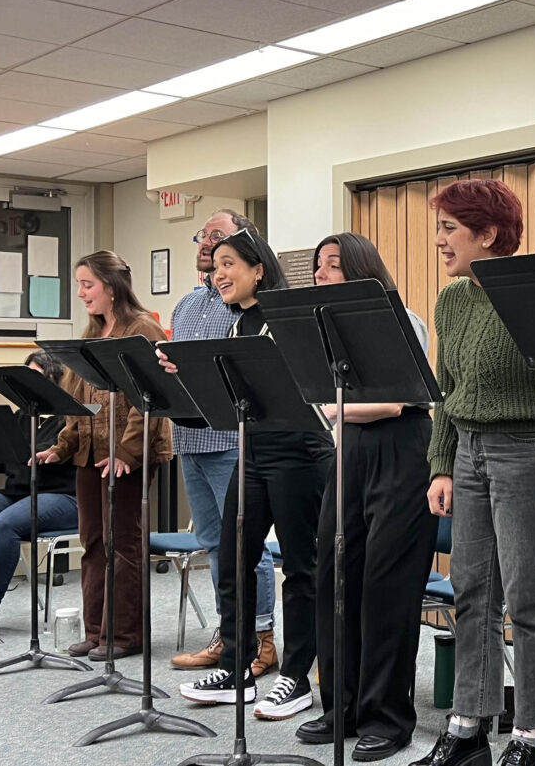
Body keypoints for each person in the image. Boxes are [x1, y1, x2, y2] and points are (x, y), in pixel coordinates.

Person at [415, 179, 535, 766]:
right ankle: (468, 727)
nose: (439, 240)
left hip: (527, 453)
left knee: (526, 601)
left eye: (450, 229)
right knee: (471, 593)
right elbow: (447, 389)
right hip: (468, 453)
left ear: (488, 234)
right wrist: (442, 465)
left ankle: (528, 739)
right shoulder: (452, 301)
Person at [169, 229, 331, 721]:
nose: (218, 274)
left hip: (298, 452)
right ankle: (235, 668)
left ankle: (296, 677)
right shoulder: (239, 324)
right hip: (255, 451)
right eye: (215, 265)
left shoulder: (283, 320)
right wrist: (183, 377)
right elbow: (228, 404)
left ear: (258, 270)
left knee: (300, 568)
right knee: (234, 558)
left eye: (229, 264)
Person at [294, 233, 438, 762]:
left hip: (402, 451)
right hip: (351, 452)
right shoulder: (322, 331)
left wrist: (337, 409)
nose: (321, 274)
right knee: (336, 575)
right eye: (318, 266)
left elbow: (396, 401)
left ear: (361, 269)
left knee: (385, 587)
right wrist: (338, 411)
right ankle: (343, 706)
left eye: (333, 264)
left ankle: (387, 717)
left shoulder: (401, 318)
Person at [38, 251, 171, 660]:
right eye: (79, 285)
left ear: (112, 288)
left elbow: (148, 398)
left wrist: (127, 452)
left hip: (127, 455)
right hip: (90, 454)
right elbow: (78, 404)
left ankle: (125, 634)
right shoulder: (92, 334)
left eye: (87, 284)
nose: (81, 293)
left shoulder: (142, 329)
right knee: (93, 543)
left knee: (123, 543)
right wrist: (61, 446)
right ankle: (97, 631)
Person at [167, 208, 277, 678]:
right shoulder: (186, 305)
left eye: (218, 236)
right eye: (203, 236)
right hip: (189, 436)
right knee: (214, 543)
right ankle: (230, 634)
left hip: (230, 438)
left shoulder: (242, 306)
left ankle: (262, 638)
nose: (206, 244)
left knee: (245, 545)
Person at [0, 351, 77, 629]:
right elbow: (5, 459)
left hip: (64, 496)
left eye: (35, 376)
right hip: (18, 493)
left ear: (53, 380)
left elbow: (48, 457)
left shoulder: (69, 419)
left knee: (5, 524)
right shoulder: (20, 417)